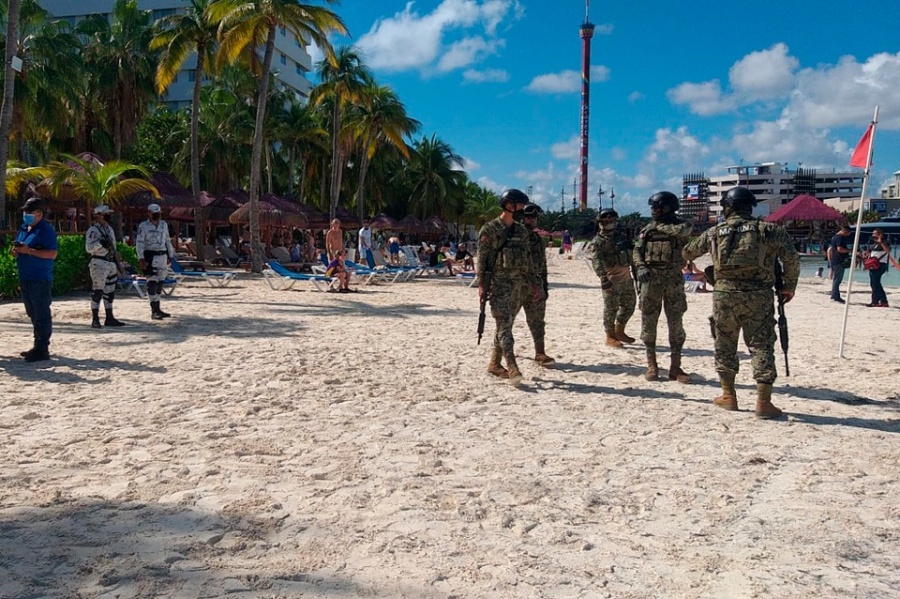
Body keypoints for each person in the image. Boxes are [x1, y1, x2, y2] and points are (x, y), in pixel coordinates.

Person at [684, 186, 800, 419]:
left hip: (724, 294)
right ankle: (763, 402)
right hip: (759, 294)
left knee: (725, 343)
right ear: (750, 206)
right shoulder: (768, 230)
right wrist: (789, 285)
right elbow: (791, 258)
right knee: (761, 345)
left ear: (727, 207)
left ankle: (728, 396)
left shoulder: (714, 232)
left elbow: (688, 252)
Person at [476, 188, 544, 385]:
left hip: (519, 287)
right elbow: (482, 258)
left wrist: (534, 285)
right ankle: (512, 367)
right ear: (508, 205)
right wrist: (481, 284)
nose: (523, 210)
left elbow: (528, 261)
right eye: (520, 206)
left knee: (504, 326)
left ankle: (494, 365)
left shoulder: (522, 231)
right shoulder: (489, 229)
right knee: (504, 326)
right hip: (498, 286)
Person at [633, 191, 693, 383]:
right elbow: (637, 251)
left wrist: (658, 227)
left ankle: (675, 366)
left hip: (673, 280)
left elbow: (682, 232)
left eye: (656, 207)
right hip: (651, 280)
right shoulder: (647, 230)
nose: (652, 211)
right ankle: (652, 365)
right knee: (648, 323)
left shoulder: (682, 225)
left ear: (667, 208)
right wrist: (641, 266)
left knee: (676, 324)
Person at [12, 197, 58, 362]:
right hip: (26, 277)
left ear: (39, 213)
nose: (26, 215)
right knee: (32, 313)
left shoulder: (46, 230)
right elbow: (22, 248)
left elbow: (52, 253)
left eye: (29, 212)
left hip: (40, 278)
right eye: (25, 212)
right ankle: (38, 343)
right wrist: (18, 251)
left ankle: (42, 348)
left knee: (41, 313)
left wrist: (29, 251)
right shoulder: (24, 228)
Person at [589, 208, 637, 348]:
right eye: (606, 221)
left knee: (629, 306)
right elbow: (596, 260)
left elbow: (632, 253)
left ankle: (620, 330)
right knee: (611, 309)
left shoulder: (622, 237)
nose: (610, 223)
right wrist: (603, 279)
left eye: (612, 220)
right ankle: (610, 336)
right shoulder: (598, 241)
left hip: (626, 277)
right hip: (611, 279)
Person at [521, 203, 556, 367]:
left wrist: (544, 286)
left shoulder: (537, 240)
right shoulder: (513, 237)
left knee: (537, 321)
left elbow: (542, 265)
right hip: (515, 286)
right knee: (506, 322)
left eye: (535, 217)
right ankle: (499, 355)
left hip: (535, 288)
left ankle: (540, 352)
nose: (532, 219)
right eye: (529, 216)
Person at [85, 205, 126, 328]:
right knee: (98, 291)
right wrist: (100, 244)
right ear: (98, 216)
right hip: (99, 262)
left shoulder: (110, 229)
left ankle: (109, 317)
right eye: (104, 214)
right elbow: (89, 249)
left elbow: (113, 246)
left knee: (110, 291)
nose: (107, 216)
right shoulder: (93, 231)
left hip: (110, 262)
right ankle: (95, 318)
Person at [136, 203, 175, 320]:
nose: (157, 216)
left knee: (160, 282)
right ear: (149, 213)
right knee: (152, 282)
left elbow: (167, 240)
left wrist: (171, 255)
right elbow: (140, 243)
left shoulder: (164, 225)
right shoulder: (143, 226)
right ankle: (154, 310)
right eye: (155, 214)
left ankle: (158, 308)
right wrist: (141, 258)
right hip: (150, 255)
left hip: (162, 255)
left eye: (159, 213)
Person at [864, 228, 890, 307]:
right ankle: (882, 301)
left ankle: (876, 301)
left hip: (880, 265)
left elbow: (888, 251)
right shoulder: (874, 244)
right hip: (873, 265)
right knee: (874, 283)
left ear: (880, 234)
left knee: (875, 283)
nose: (873, 235)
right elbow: (869, 253)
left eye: (874, 233)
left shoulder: (884, 242)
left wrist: (881, 242)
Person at [828, 224, 851, 303]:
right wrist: (850, 251)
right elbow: (840, 249)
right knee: (837, 279)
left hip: (836, 260)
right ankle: (835, 296)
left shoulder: (834, 237)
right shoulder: (839, 238)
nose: (848, 235)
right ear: (845, 231)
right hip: (839, 261)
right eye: (848, 233)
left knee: (837, 279)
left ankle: (835, 295)